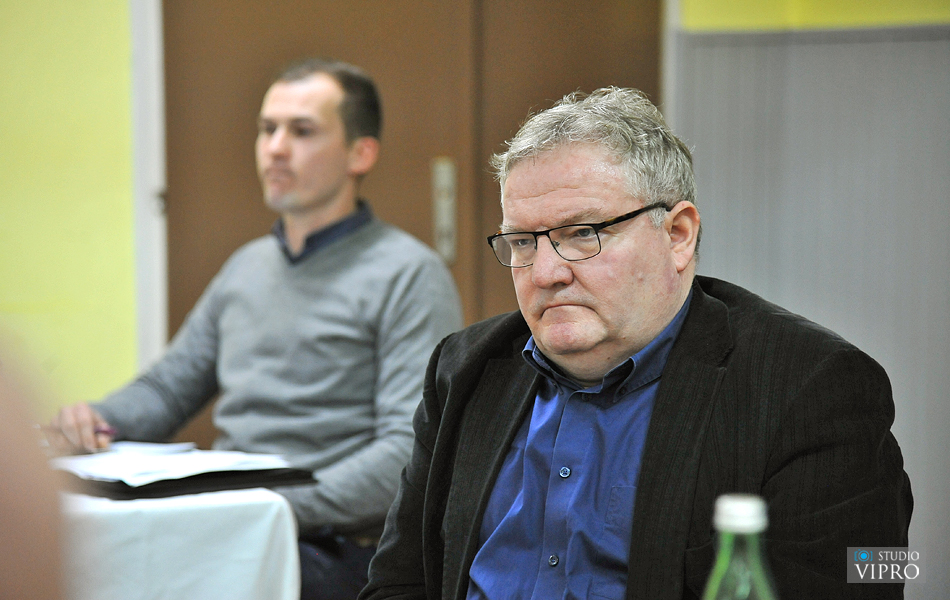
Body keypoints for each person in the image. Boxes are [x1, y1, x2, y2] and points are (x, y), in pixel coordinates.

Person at [359, 87, 912, 600]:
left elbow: (865, 580)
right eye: (523, 241)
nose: (545, 272)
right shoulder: (466, 369)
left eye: (583, 233)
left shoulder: (813, 386)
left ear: (677, 234)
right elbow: (397, 584)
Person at [47, 58, 463, 600]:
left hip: (337, 542)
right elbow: (167, 389)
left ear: (360, 153)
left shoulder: (409, 273)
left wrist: (260, 508)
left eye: (302, 131)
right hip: (238, 521)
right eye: (267, 129)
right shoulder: (246, 267)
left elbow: (403, 456)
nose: (275, 148)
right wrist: (94, 421)